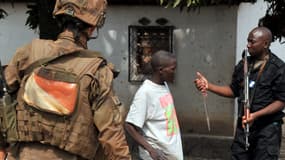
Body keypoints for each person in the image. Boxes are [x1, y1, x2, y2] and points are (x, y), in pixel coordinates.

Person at [0, 0, 131, 159]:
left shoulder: (29, 52)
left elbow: (5, 95)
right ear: (92, 29)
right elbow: (111, 134)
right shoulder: (98, 71)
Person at [195, 26, 285, 160]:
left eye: (252, 42)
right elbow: (233, 90)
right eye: (247, 41)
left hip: (267, 130)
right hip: (244, 128)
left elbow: (281, 102)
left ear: (265, 44)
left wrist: (255, 115)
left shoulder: (278, 68)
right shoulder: (244, 64)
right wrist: (209, 86)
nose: (248, 45)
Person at [125, 50, 184, 160]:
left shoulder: (164, 85)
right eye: (172, 69)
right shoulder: (145, 92)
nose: (175, 72)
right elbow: (129, 126)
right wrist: (151, 150)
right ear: (161, 70)